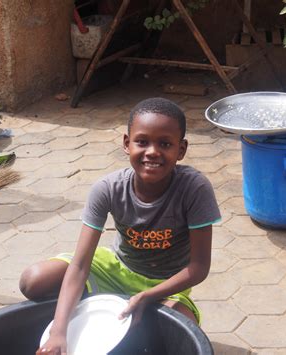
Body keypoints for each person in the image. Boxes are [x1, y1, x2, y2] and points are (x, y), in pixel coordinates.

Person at [19, 97, 221, 355]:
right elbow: (81, 264)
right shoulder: (108, 189)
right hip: (114, 268)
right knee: (33, 280)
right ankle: (88, 309)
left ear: (181, 150)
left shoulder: (194, 189)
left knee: (183, 332)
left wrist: (147, 297)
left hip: (166, 283)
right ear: (127, 144)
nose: (152, 152)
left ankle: (131, 315)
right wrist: (60, 331)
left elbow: (199, 268)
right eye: (142, 141)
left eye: (165, 144)